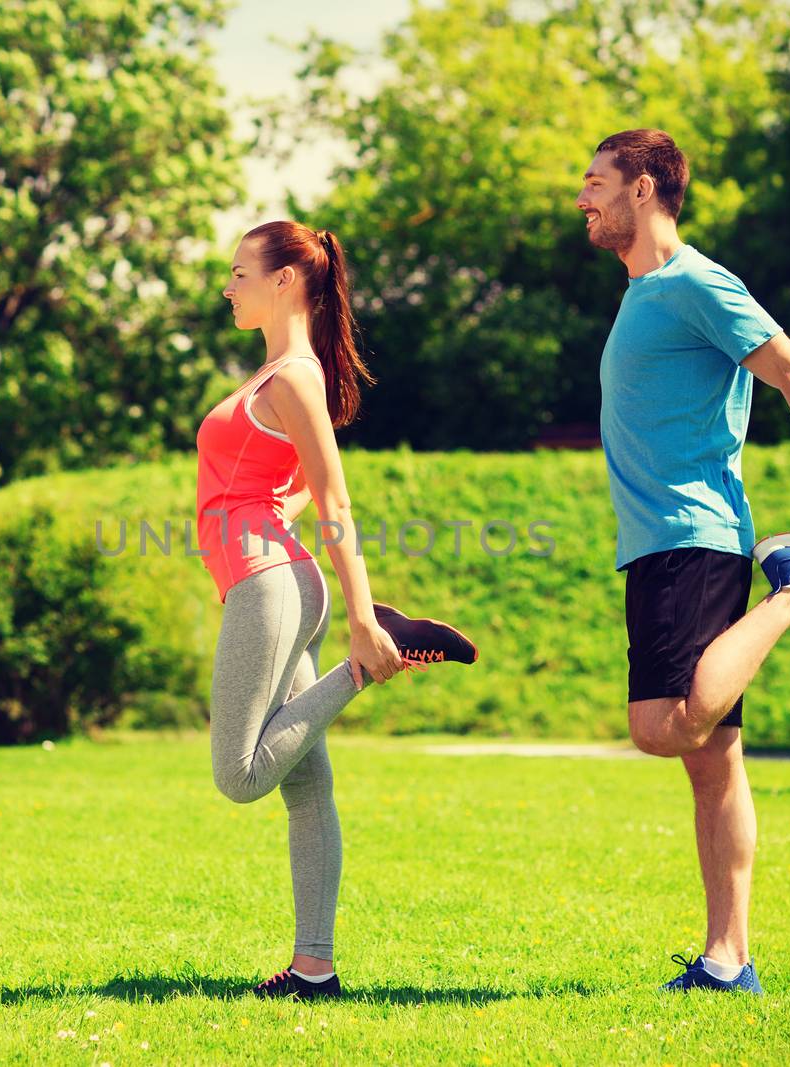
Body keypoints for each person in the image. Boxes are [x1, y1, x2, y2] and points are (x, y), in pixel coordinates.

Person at [574, 130, 790, 994]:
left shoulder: (696, 283)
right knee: (713, 763)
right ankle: (727, 960)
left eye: (595, 183)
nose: (582, 198)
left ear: (643, 190)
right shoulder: (644, 294)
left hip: (692, 536)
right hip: (664, 542)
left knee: (665, 727)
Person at [196, 220, 478, 1000]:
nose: (229, 286)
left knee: (242, 775)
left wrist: (361, 620)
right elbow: (277, 480)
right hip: (275, 578)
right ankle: (314, 966)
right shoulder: (274, 378)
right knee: (307, 789)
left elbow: (336, 498)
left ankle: (372, 655)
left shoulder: (293, 375)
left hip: (270, 583)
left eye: (240, 273)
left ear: (286, 279)